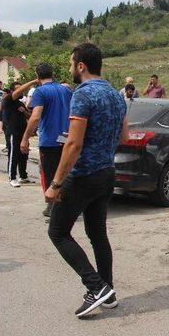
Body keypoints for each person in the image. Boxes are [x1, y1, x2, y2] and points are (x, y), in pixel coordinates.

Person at [45, 43, 128, 317]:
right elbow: (124, 137)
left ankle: (96, 286)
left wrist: (55, 184)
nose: (70, 68)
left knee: (57, 231)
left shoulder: (82, 95)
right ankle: (109, 291)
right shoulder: (116, 96)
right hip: (106, 173)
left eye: (71, 63)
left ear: (81, 66)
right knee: (97, 234)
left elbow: (73, 144)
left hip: (83, 176)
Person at [18, 63, 73, 220]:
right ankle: (59, 207)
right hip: (66, 137)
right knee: (64, 173)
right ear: (52, 74)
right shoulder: (65, 90)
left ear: (37, 76)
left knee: (50, 175)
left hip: (49, 140)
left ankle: (56, 210)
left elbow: (35, 116)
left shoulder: (40, 91)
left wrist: (25, 138)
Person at [1, 82, 30, 187]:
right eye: (19, 89)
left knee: (24, 154)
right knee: (13, 154)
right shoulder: (8, 100)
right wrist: (33, 81)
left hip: (23, 132)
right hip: (13, 132)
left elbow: (29, 116)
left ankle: (23, 176)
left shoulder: (20, 103)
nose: (21, 91)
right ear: (13, 91)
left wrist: (24, 112)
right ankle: (12, 177)